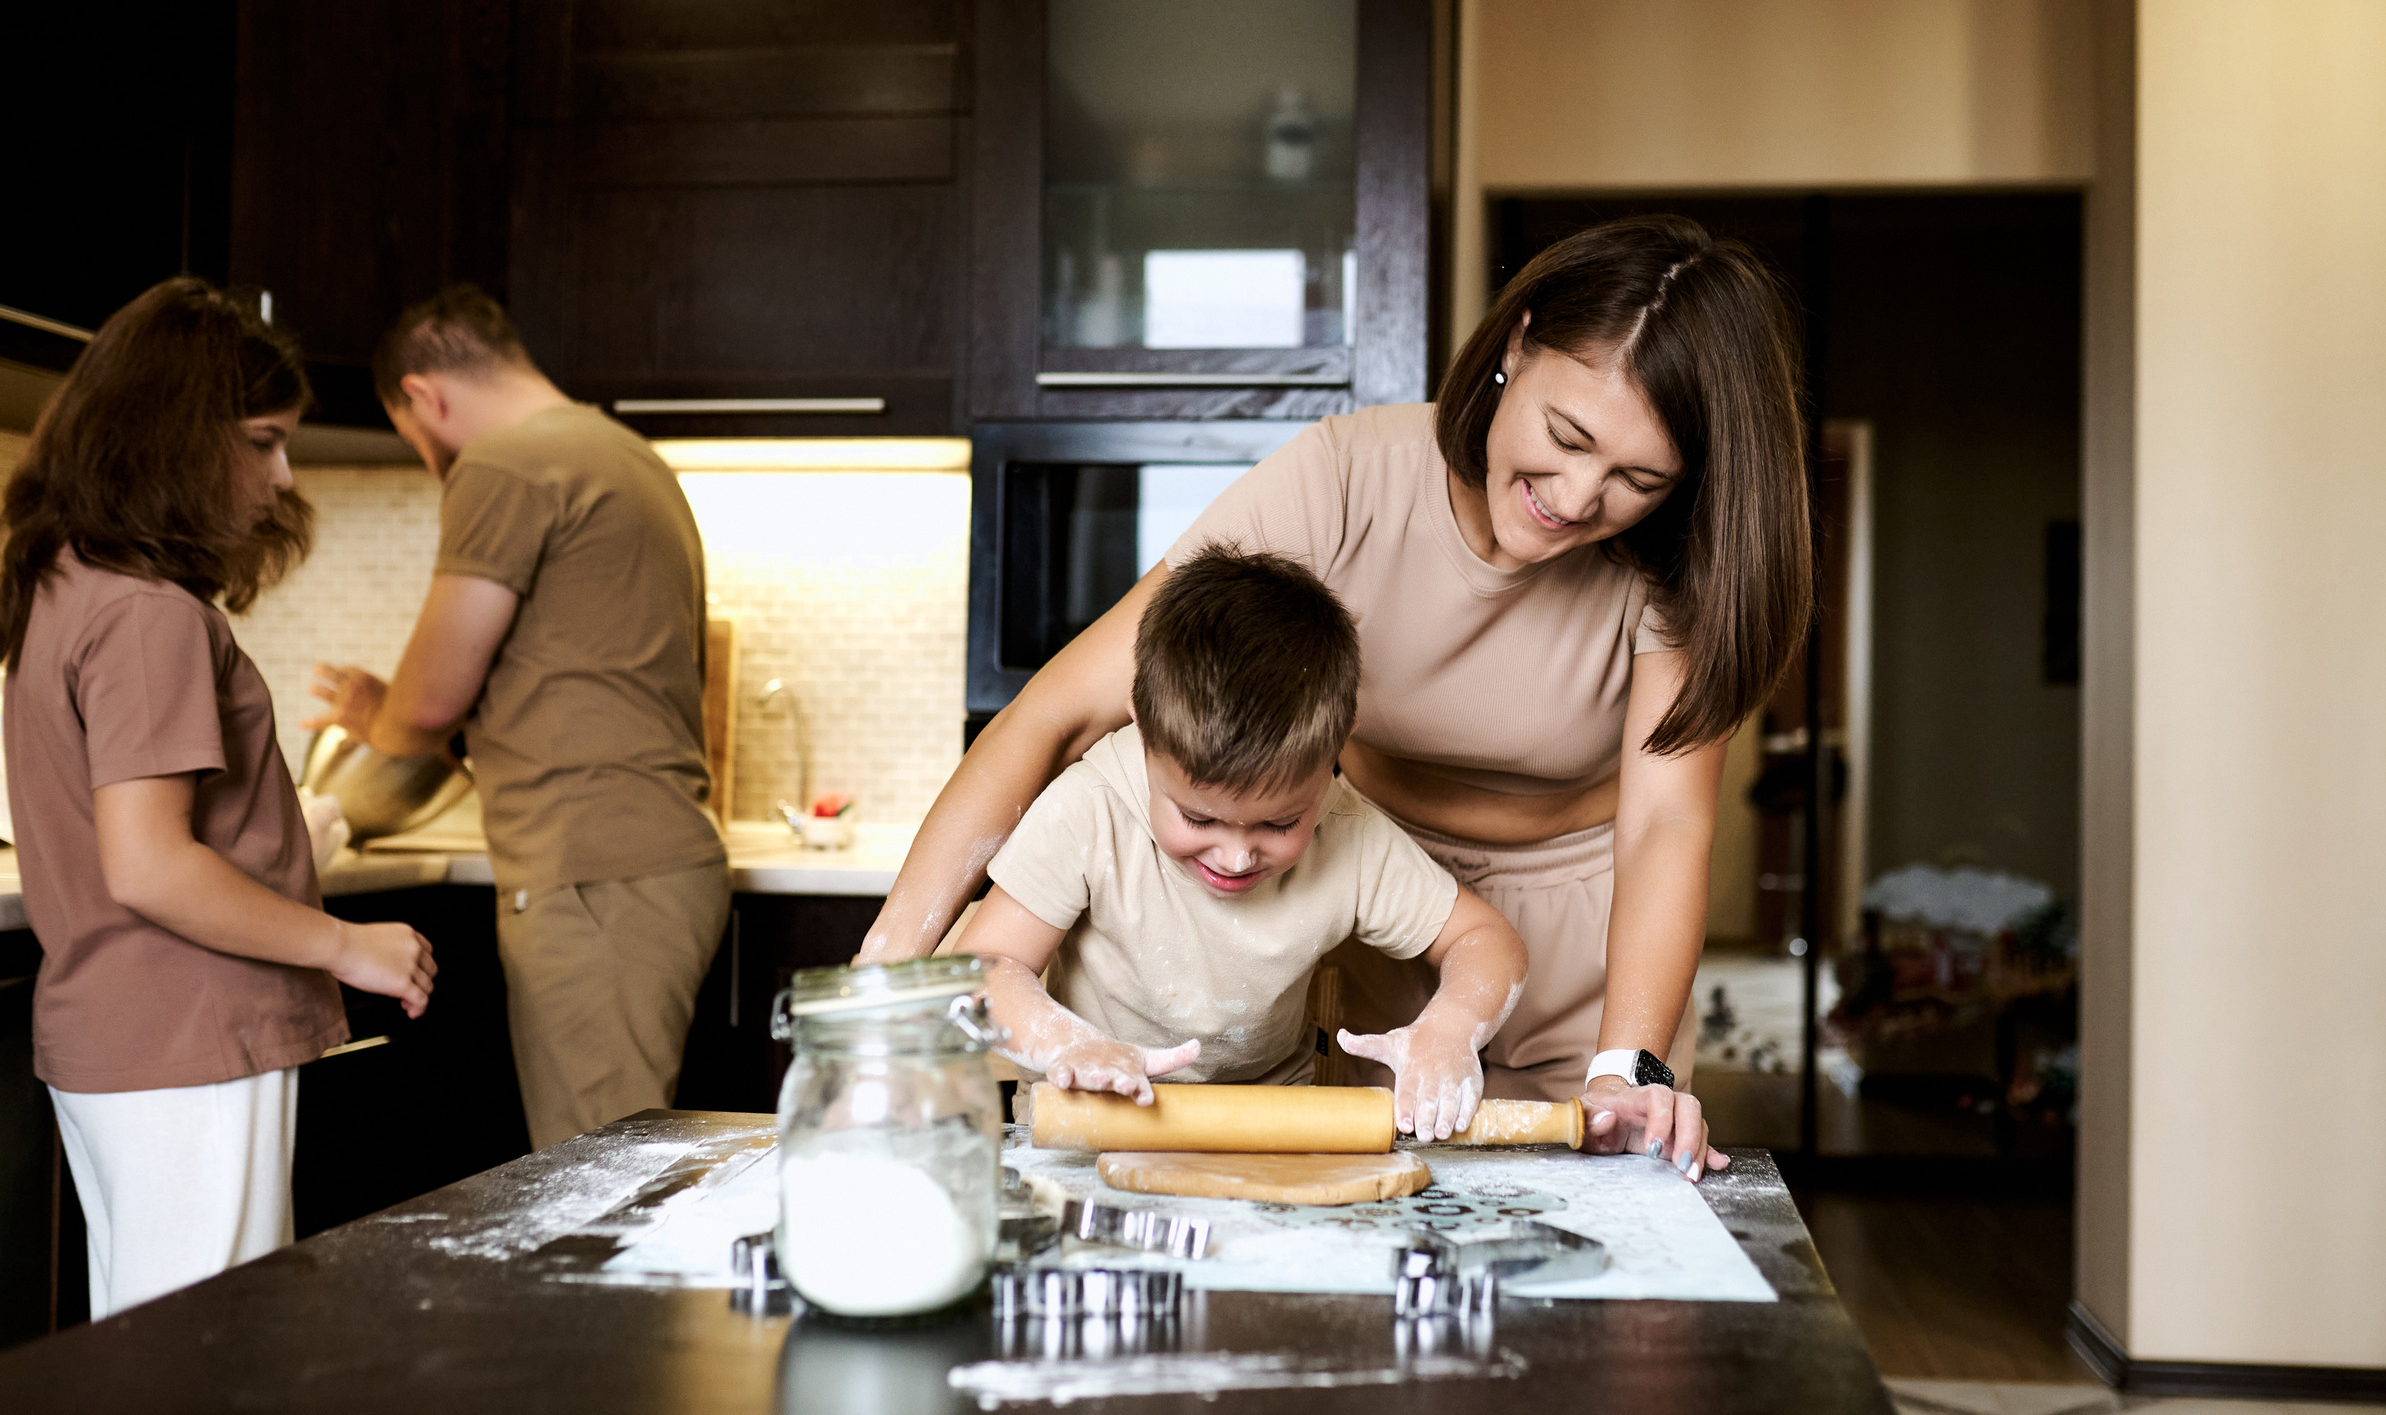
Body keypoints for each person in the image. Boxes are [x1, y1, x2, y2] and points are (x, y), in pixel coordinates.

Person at [873, 215, 1813, 1180]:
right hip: (1370, 919)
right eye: (1566, 436)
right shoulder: (1346, 480)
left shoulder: (1677, 561)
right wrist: (881, 982)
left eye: (1637, 478)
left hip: (1595, 951)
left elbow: (1665, 824)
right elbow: (1056, 713)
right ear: (1517, 343)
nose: (1576, 497)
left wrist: (1629, 1067)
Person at [0, 279, 436, 1315]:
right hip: (190, 1035)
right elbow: (151, 864)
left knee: (147, 1351)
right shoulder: (149, 615)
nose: (284, 475)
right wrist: (347, 943)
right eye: (263, 442)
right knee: (208, 1357)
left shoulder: (63, 581)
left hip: (125, 1039)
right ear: (176, 437)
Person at [309, 286, 727, 1151]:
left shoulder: (505, 465)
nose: (432, 463)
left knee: (594, 1183)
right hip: (651, 865)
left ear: (424, 395)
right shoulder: (630, 457)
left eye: (413, 439)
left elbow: (426, 707)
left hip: (590, 874)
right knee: (619, 1162)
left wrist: (371, 709)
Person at [955, 546, 1527, 1140]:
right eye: (1198, 819)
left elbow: (1485, 939)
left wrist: (1450, 1028)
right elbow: (982, 970)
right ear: (1144, 733)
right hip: (1088, 1121)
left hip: (1267, 1128)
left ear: (1337, 748)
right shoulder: (1089, 808)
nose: (1235, 858)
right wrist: (1067, 1045)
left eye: (1279, 825)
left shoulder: (1349, 832)